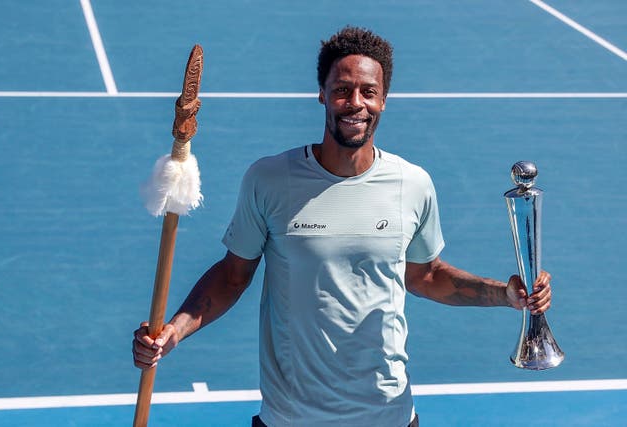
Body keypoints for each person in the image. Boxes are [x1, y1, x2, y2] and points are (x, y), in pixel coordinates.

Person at [133, 26, 553, 427]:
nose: (356, 103)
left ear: (384, 99)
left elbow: (425, 276)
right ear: (322, 95)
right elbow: (231, 276)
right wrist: (174, 330)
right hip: (292, 418)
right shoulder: (270, 180)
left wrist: (506, 295)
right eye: (342, 90)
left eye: (368, 92)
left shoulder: (413, 184)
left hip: (388, 414)